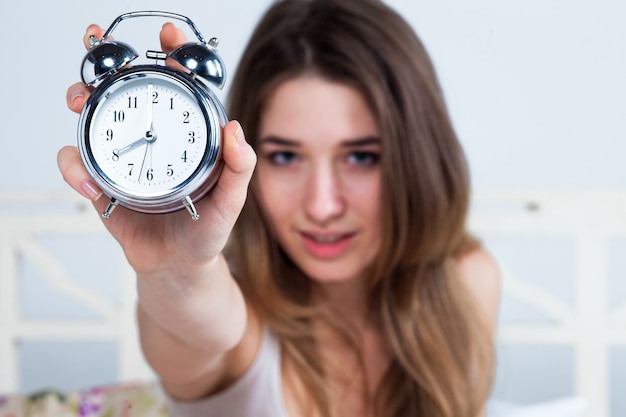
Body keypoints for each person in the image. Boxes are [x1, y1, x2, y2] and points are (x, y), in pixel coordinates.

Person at [59, 0, 501, 416]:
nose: (323, 206)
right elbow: (191, 322)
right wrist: (176, 268)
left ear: (418, 156)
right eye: (286, 157)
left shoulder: (467, 283)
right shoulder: (235, 317)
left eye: (362, 156)